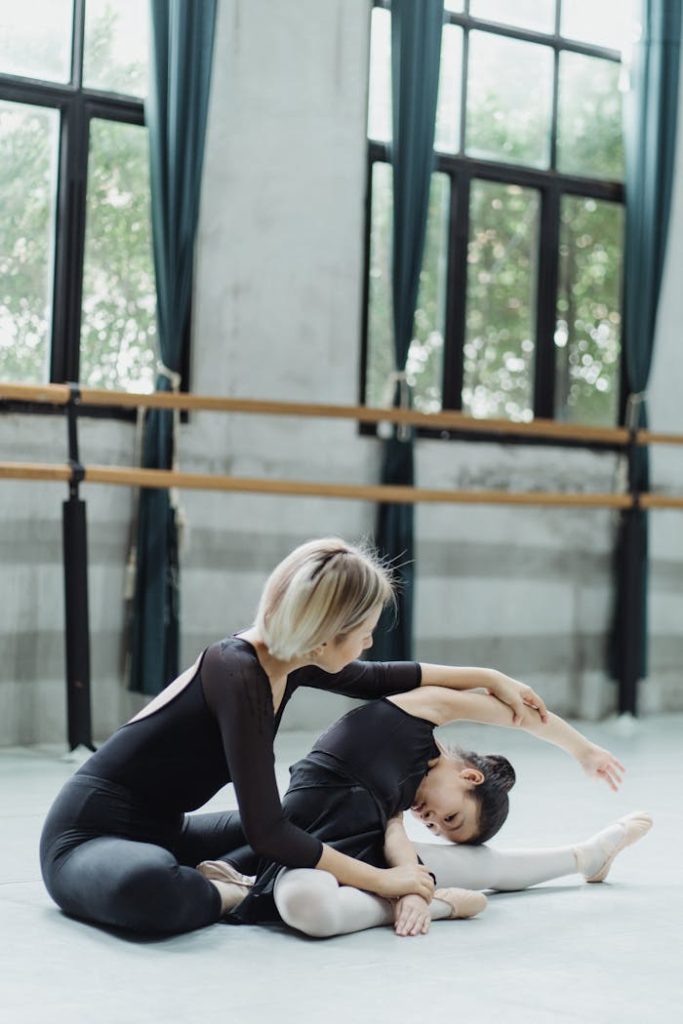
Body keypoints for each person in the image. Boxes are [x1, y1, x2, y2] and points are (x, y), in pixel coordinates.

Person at [39, 537, 547, 935]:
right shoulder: (237, 670)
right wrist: (385, 880)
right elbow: (266, 832)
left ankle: (248, 882)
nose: (370, 642)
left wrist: (489, 675)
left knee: (316, 820)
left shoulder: (291, 661)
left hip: (167, 831)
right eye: (364, 631)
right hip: (87, 837)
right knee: (151, 885)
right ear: (326, 633)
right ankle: (247, 893)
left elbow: (381, 677)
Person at [197, 685, 651, 938]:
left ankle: (586, 855)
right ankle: (444, 905)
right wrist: (583, 750)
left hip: (352, 853)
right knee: (303, 904)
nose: (430, 821)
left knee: (310, 907)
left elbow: (394, 836)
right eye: (447, 818)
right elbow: (519, 712)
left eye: (435, 826)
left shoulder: (402, 801)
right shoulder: (416, 714)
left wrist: (413, 888)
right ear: (470, 777)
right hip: (309, 845)